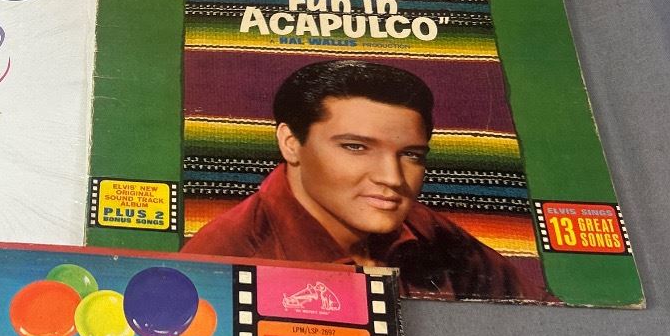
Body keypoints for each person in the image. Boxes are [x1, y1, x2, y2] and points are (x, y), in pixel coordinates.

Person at [184, 59, 535, 300]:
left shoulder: (423, 228)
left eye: (411, 155)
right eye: (356, 147)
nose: (392, 178)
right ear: (291, 143)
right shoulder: (222, 259)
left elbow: (530, 306)